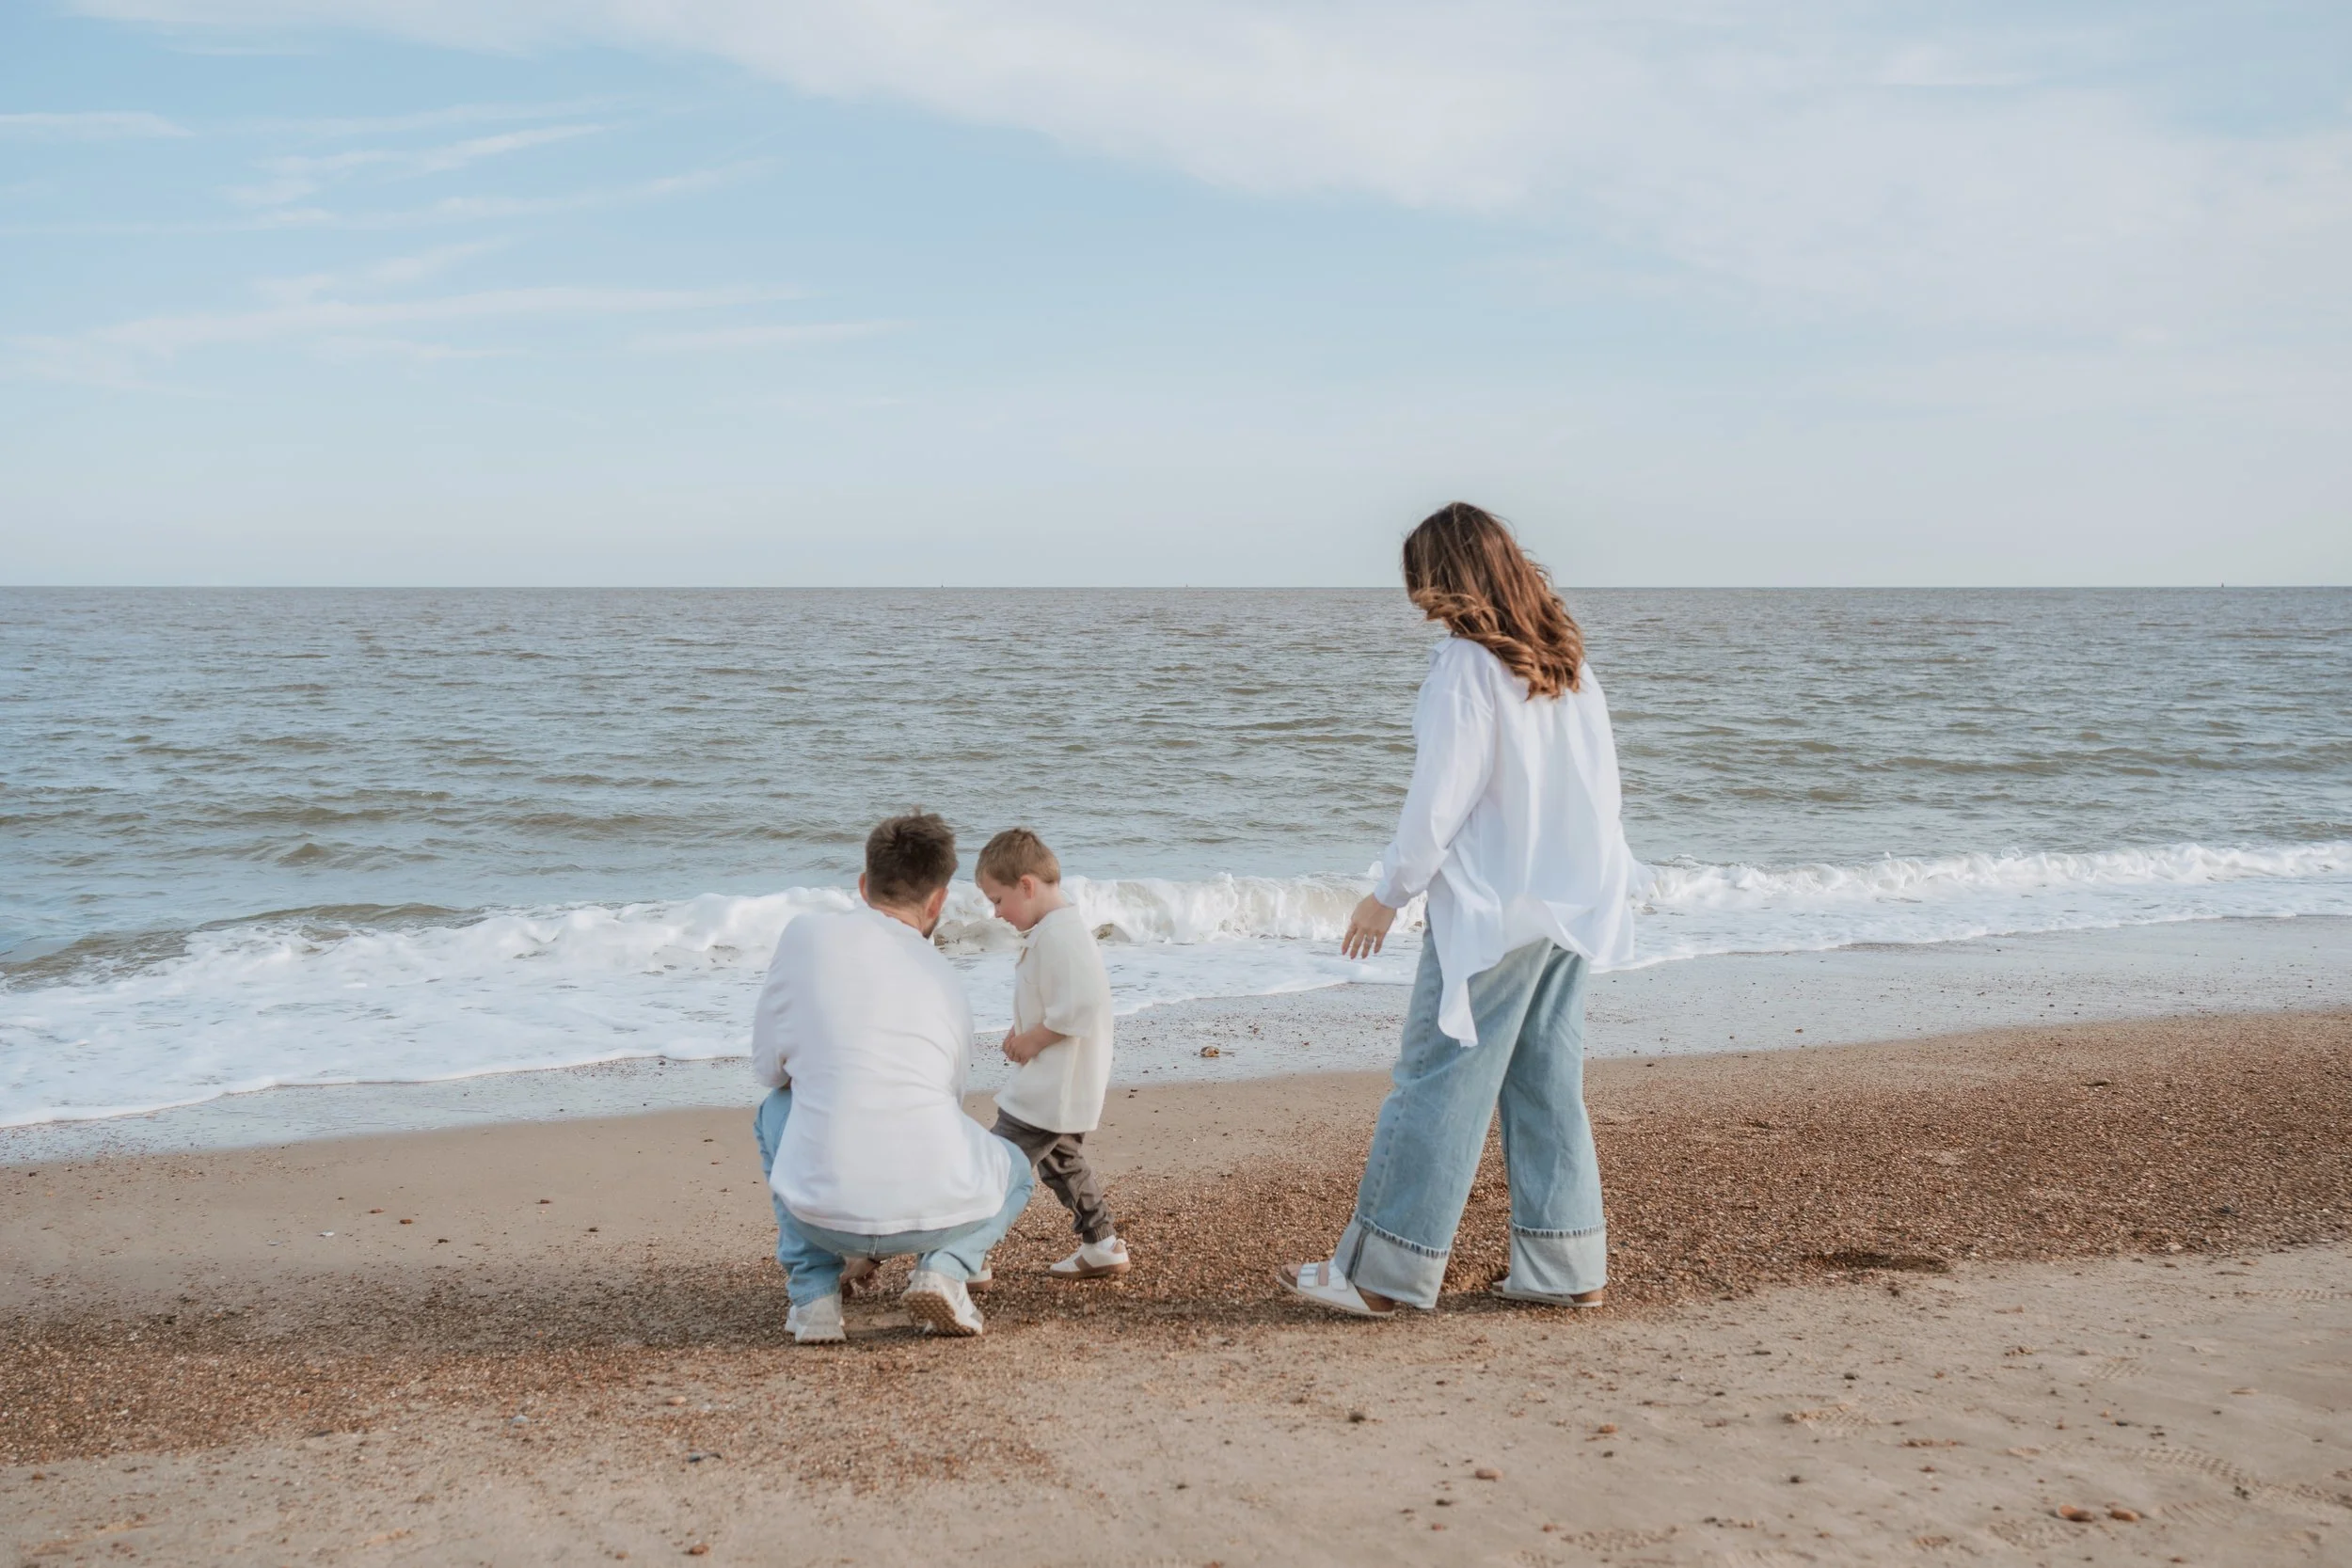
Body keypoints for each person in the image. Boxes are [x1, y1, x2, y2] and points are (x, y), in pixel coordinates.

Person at [1281, 502, 1636, 1318]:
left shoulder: (1467, 667)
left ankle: (1386, 1274)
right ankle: (1566, 1265)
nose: (1417, 600)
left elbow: (1438, 800)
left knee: (1435, 1079)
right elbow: (1603, 795)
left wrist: (1387, 894)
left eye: (1421, 581)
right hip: (1567, 904)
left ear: (1447, 577)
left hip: (1490, 910)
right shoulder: (1568, 665)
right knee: (1545, 1082)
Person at [751, 812, 1036, 1343]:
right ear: (938, 901)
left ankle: (813, 1297)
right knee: (1017, 1169)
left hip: (820, 1215)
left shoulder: (804, 935)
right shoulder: (947, 981)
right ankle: (945, 1269)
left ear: (863, 886)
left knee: (777, 1108)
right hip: (936, 1212)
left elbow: (768, 1067)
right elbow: (947, 1102)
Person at [974, 827, 1130, 1280]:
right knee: (1062, 1163)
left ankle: (967, 1254)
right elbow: (1056, 997)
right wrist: (1021, 1028)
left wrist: (1033, 1040)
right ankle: (1101, 1244)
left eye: (998, 900)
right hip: (1057, 1085)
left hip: (1051, 1088)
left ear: (1026, 885)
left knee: (997, 1165)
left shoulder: (1062, 935)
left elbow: (1080, 1005)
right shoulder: (1054, 930)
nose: (996, 912)